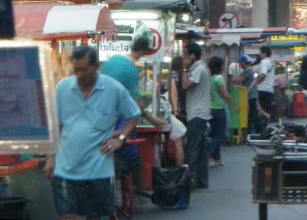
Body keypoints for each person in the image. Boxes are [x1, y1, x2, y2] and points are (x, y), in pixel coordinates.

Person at [45, 46, 140, 220]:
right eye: (76, 69)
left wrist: (120, 138)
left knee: (94, 216)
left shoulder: (114, 89)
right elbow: (55, 125)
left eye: (84, 69)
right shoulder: (63, 88)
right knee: (66, 216)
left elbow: (134, 115)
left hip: (99, 170)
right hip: (66, 168)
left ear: (97, 66)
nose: (80, 74)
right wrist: (50, 157)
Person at [100, 34, 168, 179]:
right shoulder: (130, 70)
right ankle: (122, 183)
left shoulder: (113, 59)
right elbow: (136, 108)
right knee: (130, 157)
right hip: (116, 124)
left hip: (101, 120)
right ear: (144, 52)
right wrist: (153, 120)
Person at [181, 42, 211, 189]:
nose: (183, 57)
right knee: (201, 149)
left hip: (196, 113)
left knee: (192, 149)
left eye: (185, 55)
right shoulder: (200, 68)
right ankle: (202, 180)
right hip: (201, 113)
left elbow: (185, 85)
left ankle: (190, 181)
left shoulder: (198, 69)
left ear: (192, 56)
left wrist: (184, 69)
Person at [208, 56, 231, 168]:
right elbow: (224, 93)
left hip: (210, 109)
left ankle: (217, 159)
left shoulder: (209, 78)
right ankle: (207, 154)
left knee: (214, 134)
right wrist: (232, 103)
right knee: (220, 135)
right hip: (219, 109)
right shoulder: (219, 78)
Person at [255, 45, 275, 121]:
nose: (259, 54)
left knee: (257, 109)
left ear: (264, 53)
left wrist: (255, 83)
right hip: (270, 90)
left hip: (261, 89)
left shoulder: (264, 61)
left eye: (260, 52)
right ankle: (264, 129)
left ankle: (258, 130)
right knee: (266, 111)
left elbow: (263, 74)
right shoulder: (271, 62)